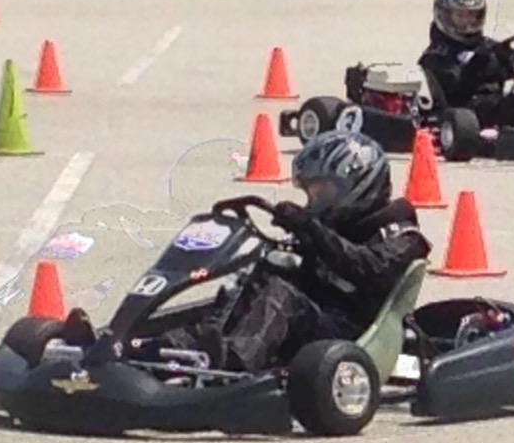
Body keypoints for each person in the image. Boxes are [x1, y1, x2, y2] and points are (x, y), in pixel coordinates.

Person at [157, 130, 432, 372]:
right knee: (259, 277)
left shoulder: (403, 237)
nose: (315, 201)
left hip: (352, 335)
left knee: (282, 294)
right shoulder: (339, 229)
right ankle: (195, 342)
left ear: (359, 185)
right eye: (311, 193)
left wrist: (310, 228)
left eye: (323, 192)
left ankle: (235, 362)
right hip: (316, 322)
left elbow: (366, 267)